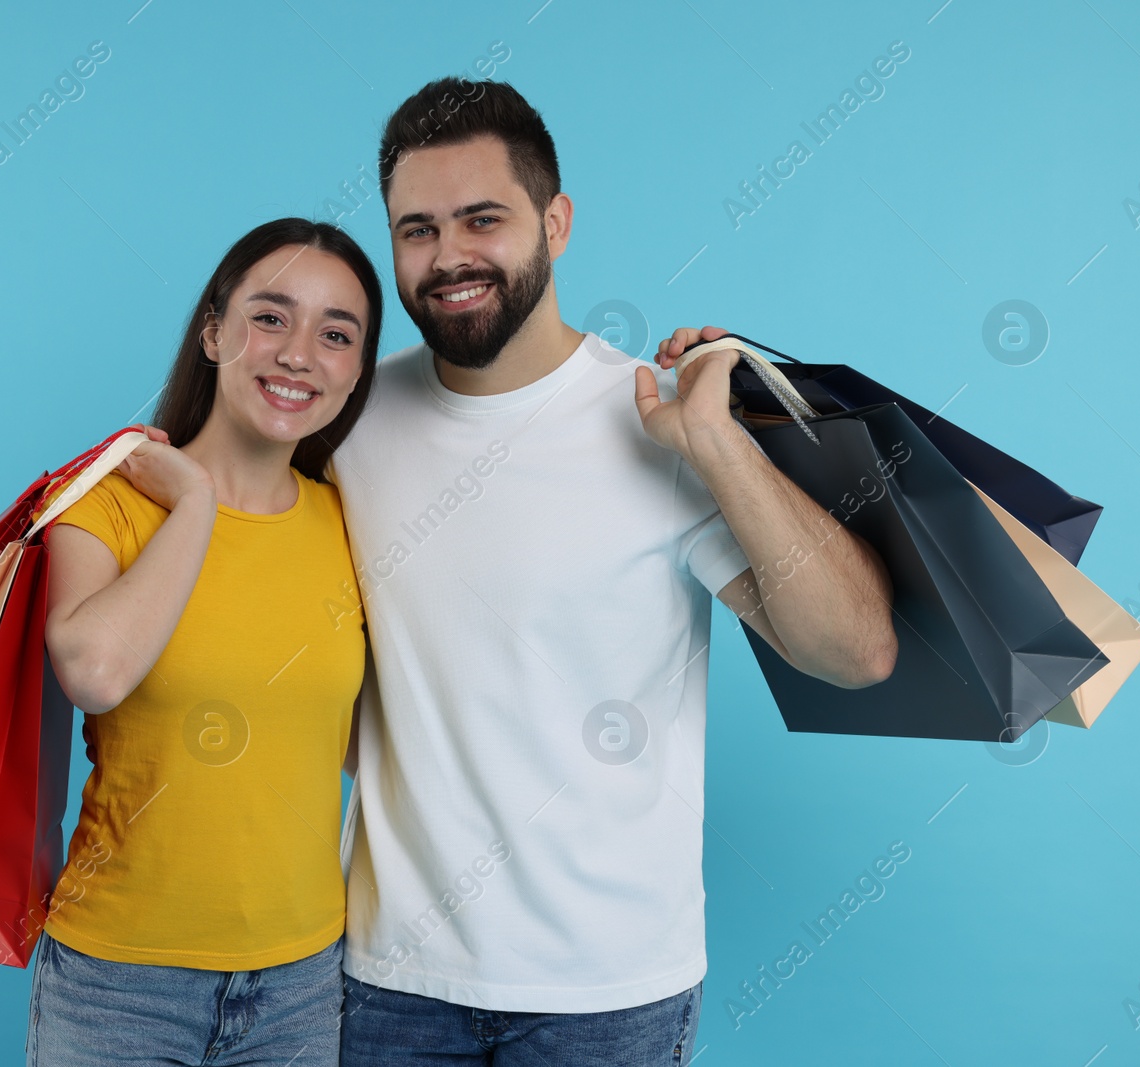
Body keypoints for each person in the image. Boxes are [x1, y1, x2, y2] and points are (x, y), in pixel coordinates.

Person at [330, 79, 899, 1064]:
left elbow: (854, 652)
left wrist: (720, 449)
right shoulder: (346, 426)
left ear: (556, 221)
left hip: (607, 994)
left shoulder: (657, 421)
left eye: (483, 218)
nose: (449, 255)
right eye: (415, 228)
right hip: (387, 982)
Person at [26, 217, 383, 1066]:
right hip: (119, 983)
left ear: (358, 370)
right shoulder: (105, 502)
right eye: (271, 316)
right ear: (214, 330)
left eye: (336, 334)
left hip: (302, 983)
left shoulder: (354, 524)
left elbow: (370, 743)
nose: (299, 353)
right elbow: (97, 671)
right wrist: (191, 504)